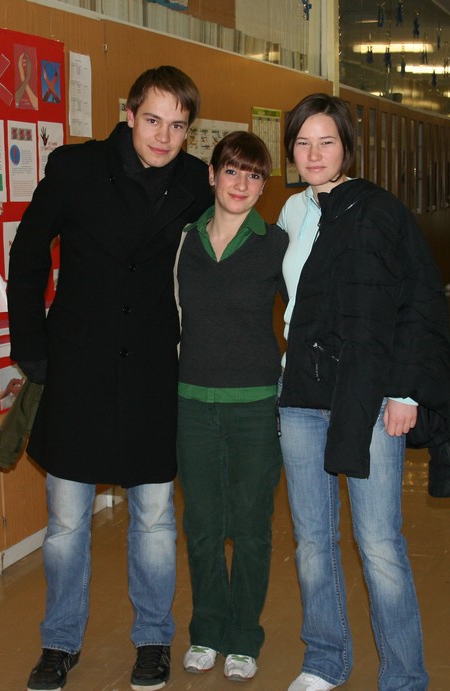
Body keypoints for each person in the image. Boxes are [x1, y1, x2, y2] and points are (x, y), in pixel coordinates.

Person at [7, 65, 213, 691]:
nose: (163, 136)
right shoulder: (75, 168)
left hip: (153, 370)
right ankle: (59, 643)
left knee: (154, 517)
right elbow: (28, 253)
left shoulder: (196, 183)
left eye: (177, 126)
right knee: (67, 522)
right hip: (79, 369)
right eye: (153, 120)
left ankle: (153, 640)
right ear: (129, 114)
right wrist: (32, 348)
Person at [276, 93, 450, 691]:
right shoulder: (292, 212)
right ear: (291, 151)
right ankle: (324, 659)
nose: (314, 154)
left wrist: (406, 391)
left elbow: (418, 300)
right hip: (302, 395)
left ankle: (404, 677)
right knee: (312, 541)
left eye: (326, 142)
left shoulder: (380, 211)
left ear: (347, 147)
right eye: (303, 143)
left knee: (379, 543)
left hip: (370, 395)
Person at [175, 132, 286, 682]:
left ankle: (244, 637)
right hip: (192, 404)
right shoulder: (183, 242)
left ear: (263, 186)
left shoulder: (276, 244)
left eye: (254, 175)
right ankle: (207, 630)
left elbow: (308, 313)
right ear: (212, 174)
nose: (241, 184)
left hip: (255, 406)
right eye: (232, 171)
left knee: (250, 528)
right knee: (200, 526)